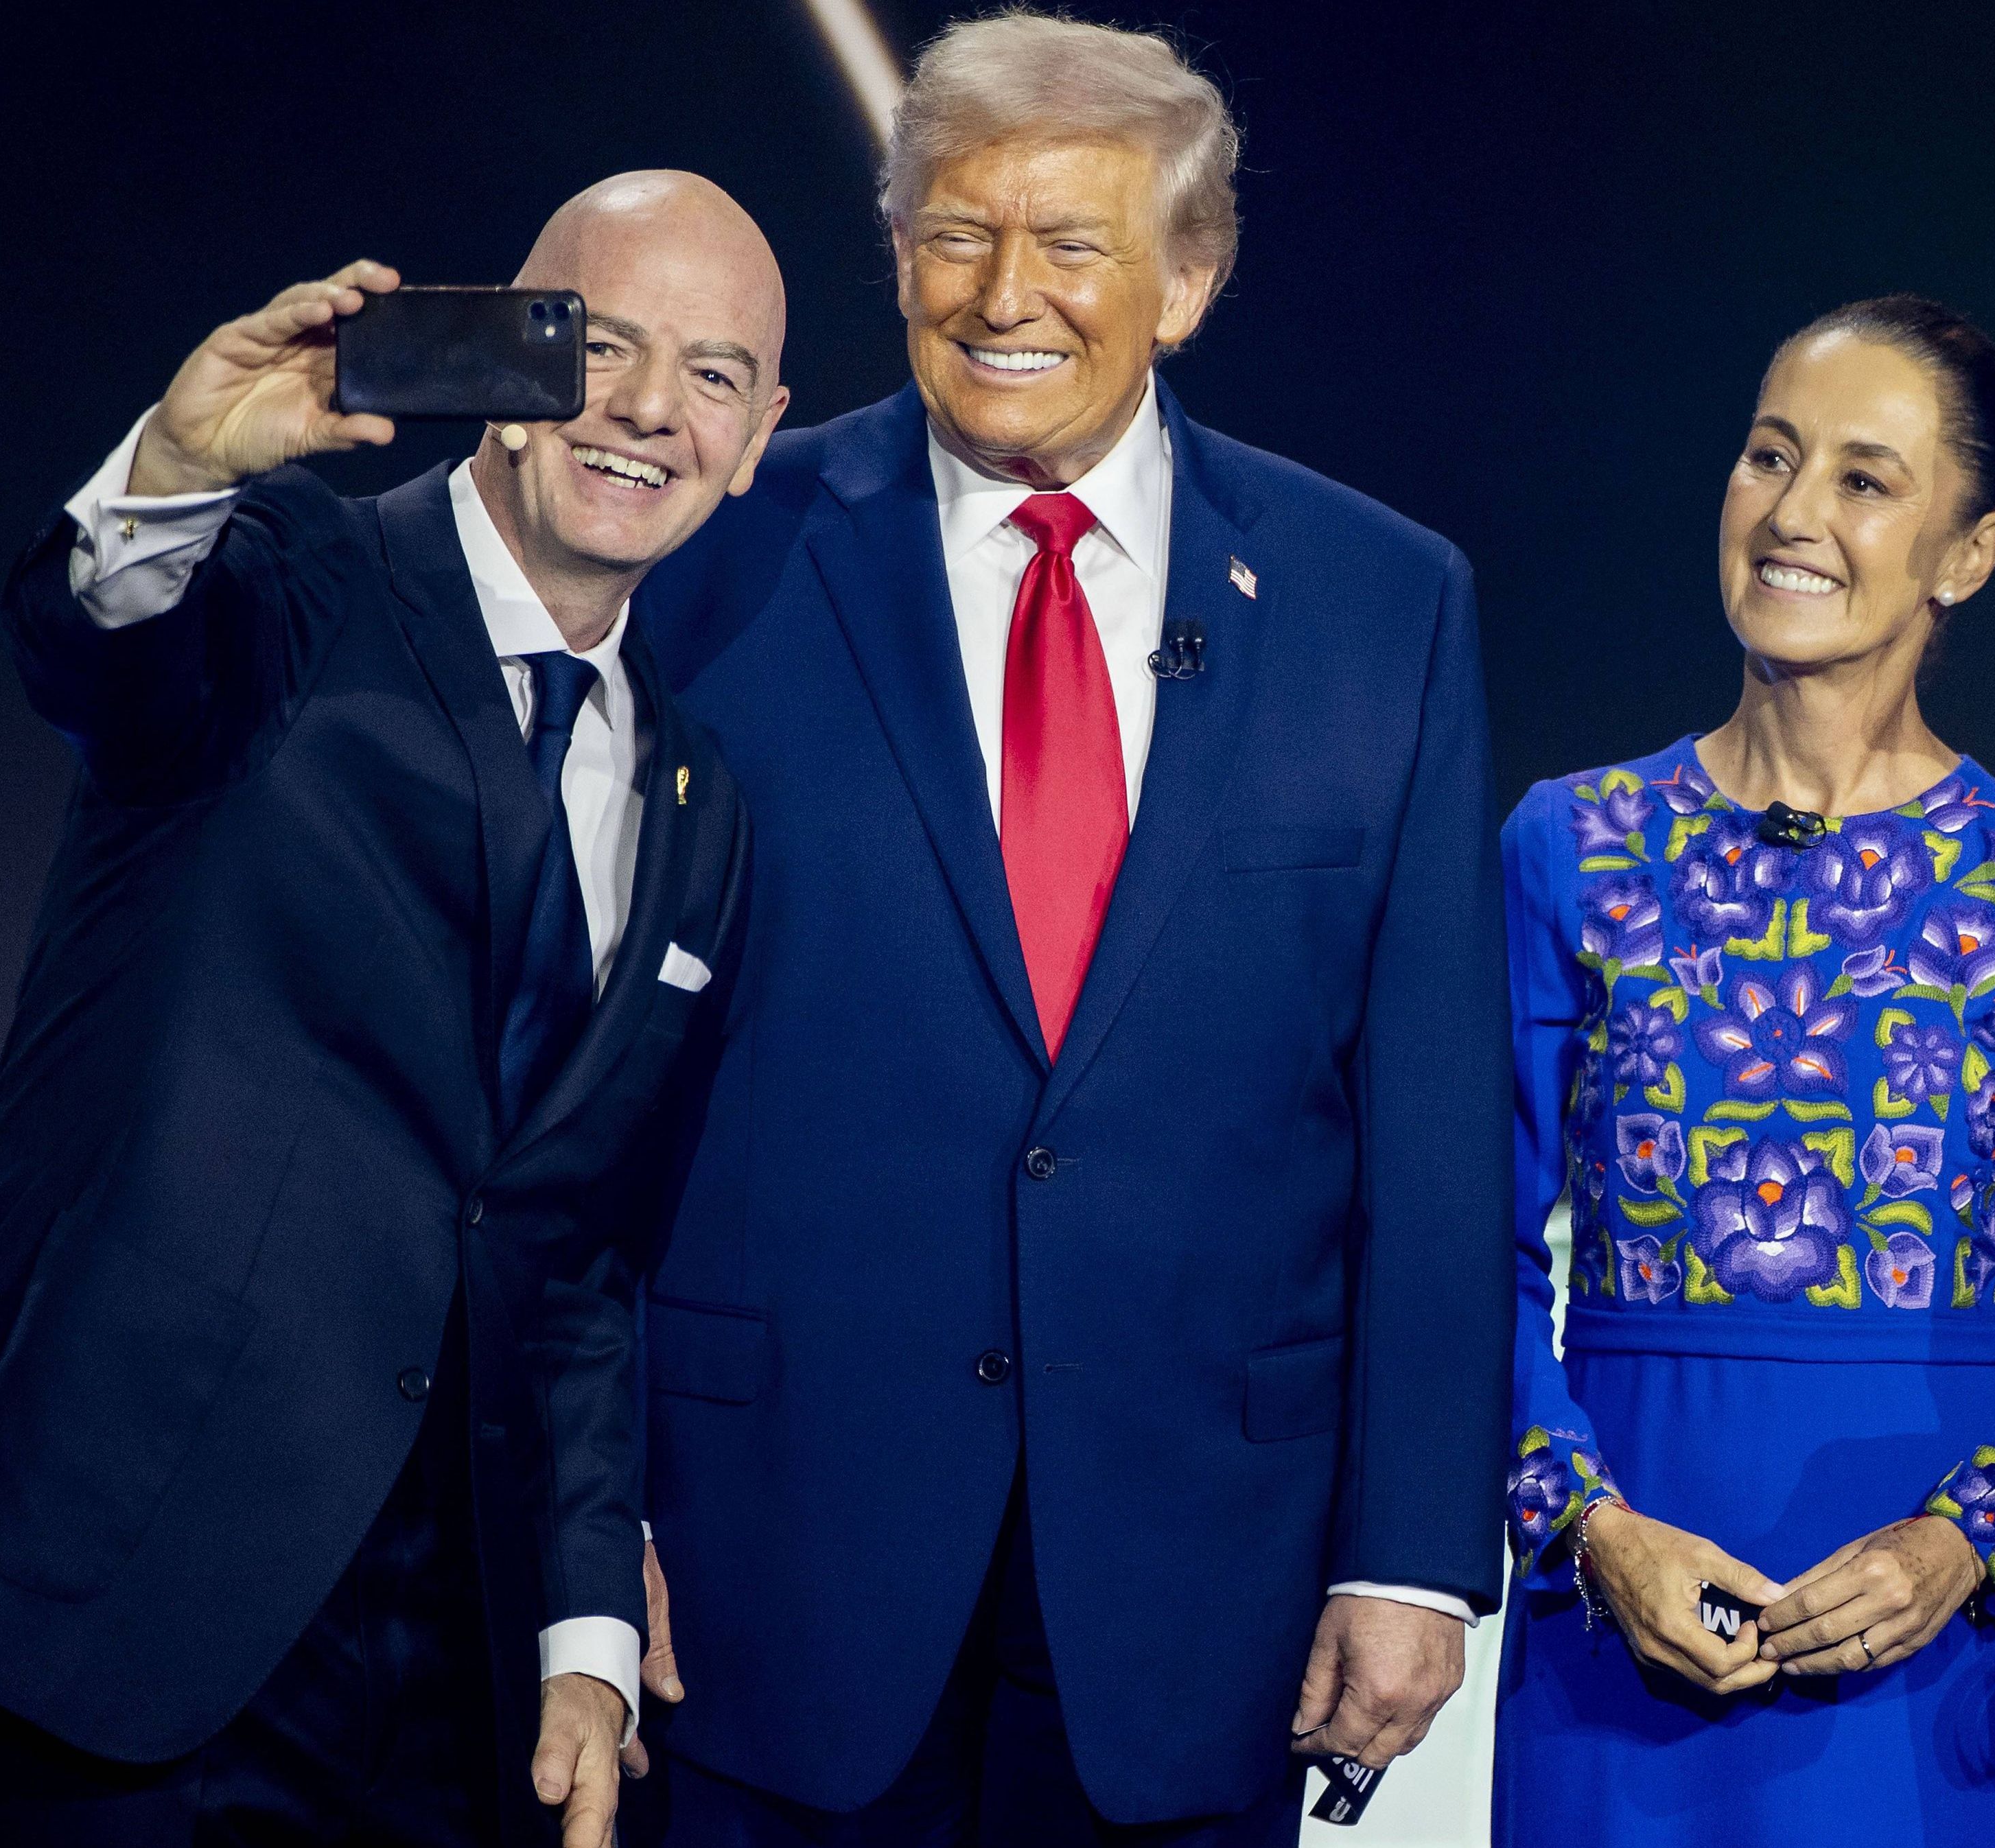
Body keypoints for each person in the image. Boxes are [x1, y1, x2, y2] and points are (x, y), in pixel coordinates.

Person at [616, 14, 1508, 1845]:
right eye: (956, 234)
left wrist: (1413, 1549)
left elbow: (1429, 1124)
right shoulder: (718, 553)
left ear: (1188, 279)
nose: (1003, 294)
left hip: (1201, 1587)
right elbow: (586, 1083)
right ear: (896, 254)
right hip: (763, 1563)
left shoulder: (1380, 602)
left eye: (1073, 244)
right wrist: (586, 1522)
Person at [0, 172, 791, 1847]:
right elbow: (100, 652)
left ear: (760, 435)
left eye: (713, 375)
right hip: (106, 1613)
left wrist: (583, 1632)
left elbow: (577, 1251)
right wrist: (179, 468)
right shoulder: (292, 576)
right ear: (504, 358)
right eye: (600, 344)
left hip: (444, 1675)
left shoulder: (701, 799)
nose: (649, 409)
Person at [1491, 296, 1995, 1843]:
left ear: (1971, 553)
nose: (1793, 513)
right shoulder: (1568, 846)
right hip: (1620, 1637)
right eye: (1769, 456)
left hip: (1940, 1655)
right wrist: (1589, 1529)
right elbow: (1465, 1260)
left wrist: (1961, 1543)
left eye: (1864, 480)